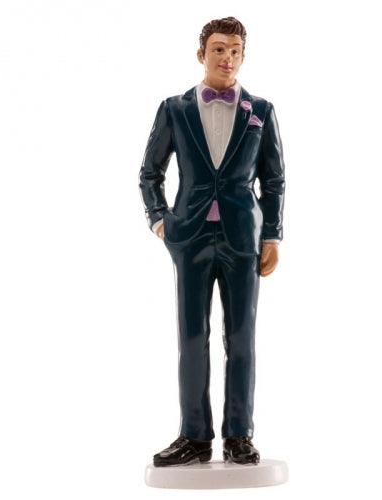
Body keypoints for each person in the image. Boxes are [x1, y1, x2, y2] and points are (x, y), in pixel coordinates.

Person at [139, 16, 285, 466]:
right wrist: (160, 221)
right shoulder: (175, 109)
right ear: (201, 54)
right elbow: (150, 173)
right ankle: (195, 435)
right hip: (190, 237)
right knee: (191, 336)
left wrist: (272, 235)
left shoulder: (261, 111)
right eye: (219, 49)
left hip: (243, 239)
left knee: (241, 338)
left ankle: (239, 434)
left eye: (235, 50)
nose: (228, 58)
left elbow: (274, 180)